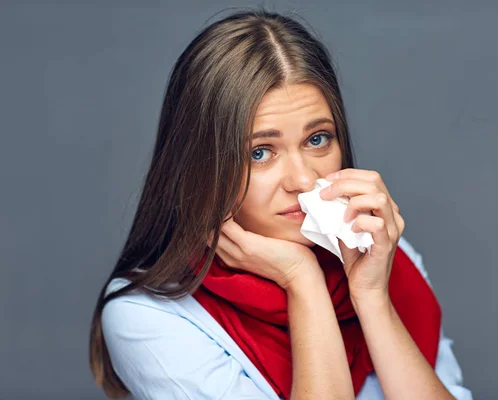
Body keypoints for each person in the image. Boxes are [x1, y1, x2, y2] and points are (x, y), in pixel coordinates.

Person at [89, 7, 473, 400]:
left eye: (317, 139)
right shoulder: (150, 315)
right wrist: (303, 280)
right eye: (260, 152)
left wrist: (372, 299)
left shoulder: (382, 256)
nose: (304, 179)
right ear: (200, 167)